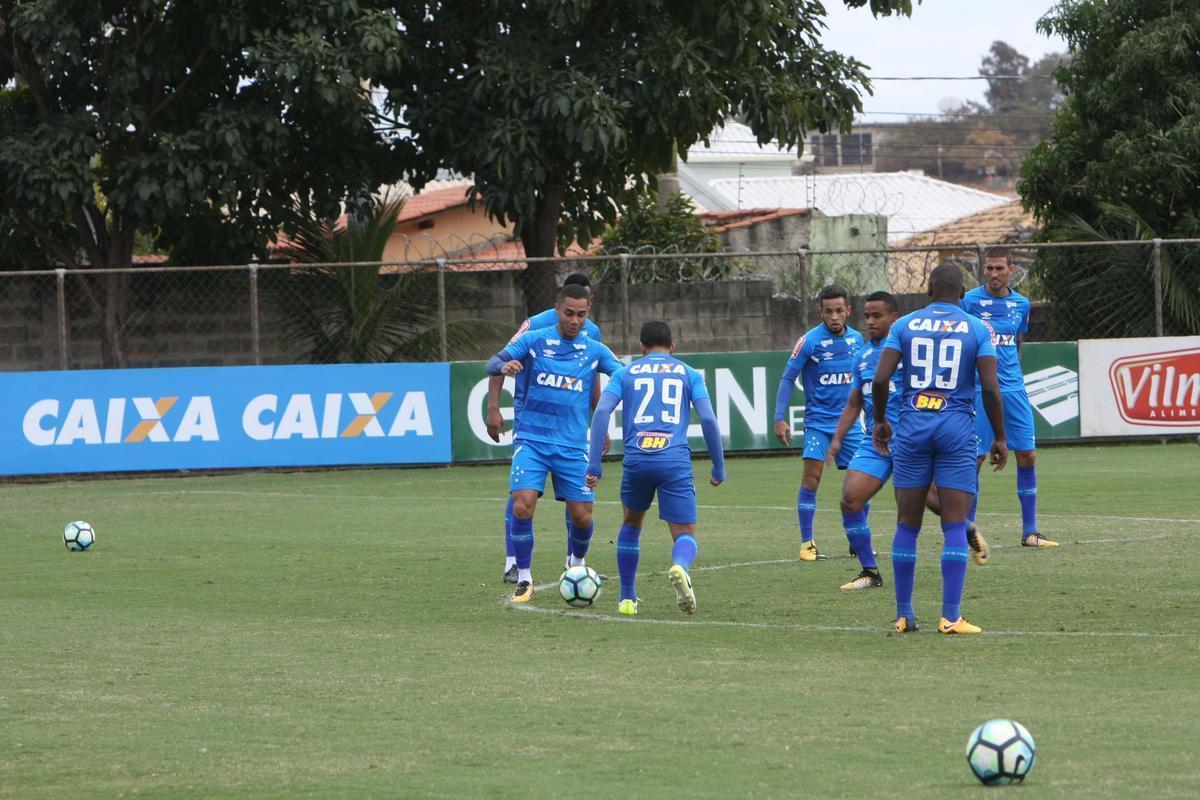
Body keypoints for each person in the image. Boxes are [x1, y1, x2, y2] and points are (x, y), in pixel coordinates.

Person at [872, 264, 1009, 635]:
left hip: (912, 426)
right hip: (955, 429)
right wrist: (999, 437)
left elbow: (881, 379)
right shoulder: (978, 328)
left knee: (907, 523)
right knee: (953, 524)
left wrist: (880, 421)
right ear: (962, 293)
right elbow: (990, 388)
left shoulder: (904, 325)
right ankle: (950, 617)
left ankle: (904, 615)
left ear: (929, 289)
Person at [484, 283, 623, 603]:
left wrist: (607, 413)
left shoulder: (595, 349)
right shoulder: (533, 339)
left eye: (581, 315)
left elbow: (621, 374)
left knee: (582, 516)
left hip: (572, 446)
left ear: (588, 312)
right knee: (522, 503)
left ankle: (576, 564)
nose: (575, 320)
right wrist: (504, 365)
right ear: (557, 309)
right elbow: (493, 362)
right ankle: (524, 578)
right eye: (569, 313)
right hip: (532, 440)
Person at [586, 322, 726, 616]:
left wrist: (595, 465)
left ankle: (627, 598)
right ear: (672, 346)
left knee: (631, 524)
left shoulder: (625, 373)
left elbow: (601, 412)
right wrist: (718, 465)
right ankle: (680, 566)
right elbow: (709, 420)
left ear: (641, 347)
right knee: (685, 533)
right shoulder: (689, 373)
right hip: (673, 460)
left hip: (637, 460)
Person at [962, 248, 1057, 549]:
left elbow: (1015, 341)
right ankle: (967, 533)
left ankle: (1030, 532)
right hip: (980, 390)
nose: (993, 274)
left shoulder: (1022, 304)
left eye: (999, 268)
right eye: (989, 268)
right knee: (974, 460)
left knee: (1027, 455)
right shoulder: (969, 302)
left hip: (1014, 389)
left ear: (1011, 270)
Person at [773, 284, 864, 561]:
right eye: (828, 311)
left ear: (848, 310)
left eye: (839, 311)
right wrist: (779, 418)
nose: (834, 317)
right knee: (811, 481)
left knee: (862, 483)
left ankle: (857, 539)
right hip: (818, 424)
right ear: (820, 312)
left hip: (850, 425)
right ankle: (807, 544)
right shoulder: (809, 341)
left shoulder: (858, 339)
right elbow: (788, 378)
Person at [826, 291, 902, 591]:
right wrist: (837, 438)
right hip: (876, 442)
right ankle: (870, 571)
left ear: (893, 318)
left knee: (934, 502)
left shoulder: (908, 350)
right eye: (867, 316)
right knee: (850, 499)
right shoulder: (862, 356)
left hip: (911, 440)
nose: (870, 321)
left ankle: (966, 528)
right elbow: (854, 403)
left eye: (877, 316)